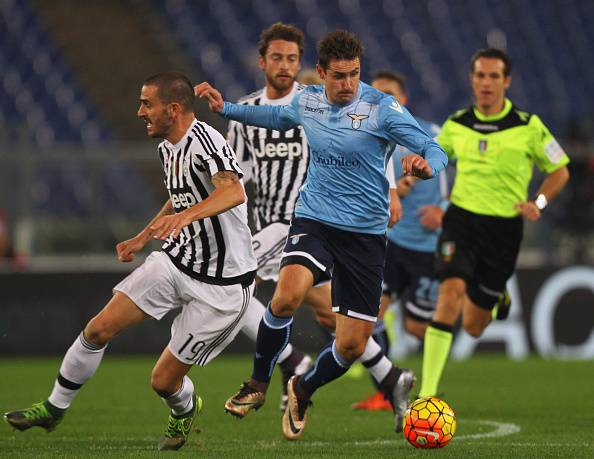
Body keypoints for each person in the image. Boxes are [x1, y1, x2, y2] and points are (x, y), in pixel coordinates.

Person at [197, 29, 448, 440]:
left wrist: (427, 167)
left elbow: (433, 147)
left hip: (365, 236)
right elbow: (275, 118)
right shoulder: (308, 101)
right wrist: (225, 108)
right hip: (314, 220)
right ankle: (258, 384)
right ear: (320, 73)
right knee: (286, 296)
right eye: (339, 76)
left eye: (354, 74)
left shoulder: (382, 107)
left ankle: (303, 386)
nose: (347, 84)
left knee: (350, 346)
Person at [3, 72, 257, 451]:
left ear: (173, 109)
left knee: (163, 382)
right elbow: (180, 194)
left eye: (146, 103)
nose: (140, 112)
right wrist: (143, 235)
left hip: (222, 286)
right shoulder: (167, 145)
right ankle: (54, 408)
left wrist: (186, 218)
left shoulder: (207, 141)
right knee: (99, 328)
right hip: (178, 260)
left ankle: (184, 409)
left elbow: (234, 191)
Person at [224, 22, 407, 417]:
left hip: (311, 222)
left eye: (292, 58)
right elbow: (233, 177)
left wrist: (389, 190)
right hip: (274, 225)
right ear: (263, 62)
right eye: (278, 57)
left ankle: (294, 368)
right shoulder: (248, 113)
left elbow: (366, 150)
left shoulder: (317, 104)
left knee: (236, 292)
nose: (285, 65)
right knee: (317, 310)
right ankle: (383, 375)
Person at [419, 48, 570, 398]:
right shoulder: (456, 124)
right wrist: (418, 172)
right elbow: (436, 160)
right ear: (472, 80)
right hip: (461, 222)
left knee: (473, 326)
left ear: (507, 81)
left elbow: (559, 170)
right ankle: (427, 396)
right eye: (480, 76)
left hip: (504, 230)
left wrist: (539, 202)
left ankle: (496, 296)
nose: (486, 83)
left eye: (493, 76)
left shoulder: (528, 126)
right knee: (449, 294)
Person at [352, 71, 447, 411]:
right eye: (375, 93)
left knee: (418, 326)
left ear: (403, 99)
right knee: (370, 316)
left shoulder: (431, 133)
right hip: (388, 242)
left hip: (425, 247)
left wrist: (444, 210)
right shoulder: (367, 136)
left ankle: (466, 300)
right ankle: (388, 388)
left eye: (389, 93)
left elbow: (456, 177)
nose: (381, 99)